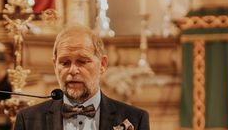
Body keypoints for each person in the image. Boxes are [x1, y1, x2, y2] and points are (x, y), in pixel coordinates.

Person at [14, 25, 150, 129]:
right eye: (65, 63)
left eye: (82, 61)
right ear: (55, 65)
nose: (72, 70)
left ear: (102, 64)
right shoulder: (28, 120)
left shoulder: (135, 119)